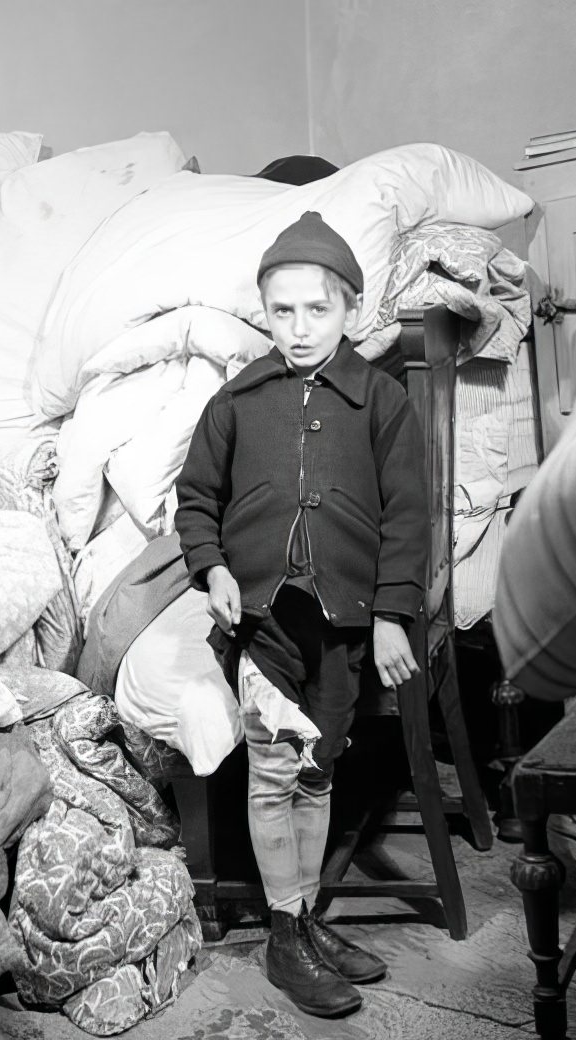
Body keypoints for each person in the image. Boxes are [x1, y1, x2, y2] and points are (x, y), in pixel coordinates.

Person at [174, 211, 430, 1017]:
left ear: (350, 309)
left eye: (317, 310)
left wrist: (392, 614)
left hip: (345, 620)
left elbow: (409, 517)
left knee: (319, 769)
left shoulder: (381, 401)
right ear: (264, 313)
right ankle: (285, 936)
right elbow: (194, 501)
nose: (299, 328)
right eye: (281, 311)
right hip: (265, 620)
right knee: (275, 766)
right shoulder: (239, 400)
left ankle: (305, 917)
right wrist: (211, 566)